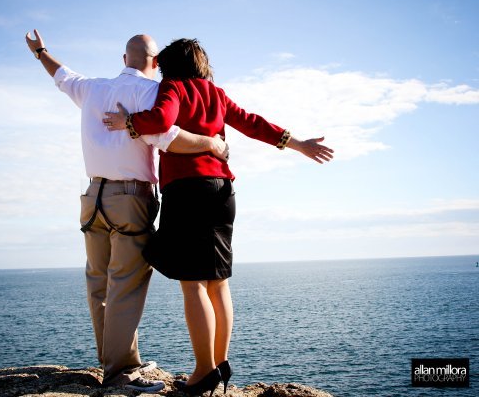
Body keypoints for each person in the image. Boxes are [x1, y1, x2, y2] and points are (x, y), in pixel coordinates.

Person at [104, 38, 334, 395]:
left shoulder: (174, 87)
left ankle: (201, 373)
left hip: (188, 190)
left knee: (193, 282)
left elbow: (163, 119)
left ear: (171, 66)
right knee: (218, 281)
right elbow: (252, 123)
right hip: (223, 191)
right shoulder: (216, 93)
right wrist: (298, 144)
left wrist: (129, 122)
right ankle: (220, 365)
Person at [25, 31, 229, 392]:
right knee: (126, 286)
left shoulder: (92, 88)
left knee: (98, 284)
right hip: (130, 197)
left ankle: (112, 362)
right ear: (155, 64)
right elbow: (169, 136)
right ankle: (120, 372)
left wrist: (41, 51)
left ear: (124, 59)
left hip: (92, 195)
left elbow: (61, 75)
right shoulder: (153, 91)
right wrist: (212, 144)